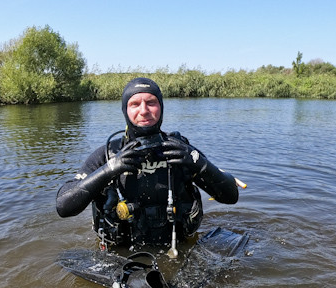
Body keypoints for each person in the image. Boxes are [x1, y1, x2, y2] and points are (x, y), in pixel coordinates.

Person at [56, 77, 239, 249]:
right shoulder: (109, 154)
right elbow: (64, 206)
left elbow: (230, 196)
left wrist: (199, 163)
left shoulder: (181, 150)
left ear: (161, 107)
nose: (143, 110)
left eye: (151, 102)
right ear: (125, 111)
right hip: (119, 252)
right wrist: (110, 169)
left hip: (178, 246)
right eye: (134, 104)